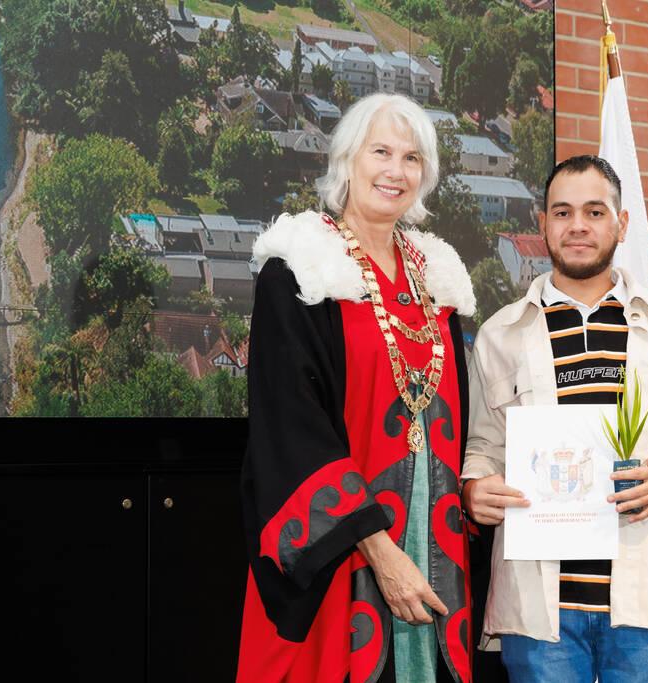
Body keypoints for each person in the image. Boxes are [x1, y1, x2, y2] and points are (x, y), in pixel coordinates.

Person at [459, 155, 648, 683]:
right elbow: (482, 447)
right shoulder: (501, 336)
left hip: (644, 609)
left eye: (595, 212)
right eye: (563, 212)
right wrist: (475, 486)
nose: (578, 226)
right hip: (539, 615)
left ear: (621, 223)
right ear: (541, 223)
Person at [236, 93, 476, 683]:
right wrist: (378, 547)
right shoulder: (301, 271)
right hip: (342, 553)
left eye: (413, 158)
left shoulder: (435, 278)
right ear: (347, 160)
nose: (397, 171)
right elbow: (291, 427)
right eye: (382, 152)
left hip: (434, 540)